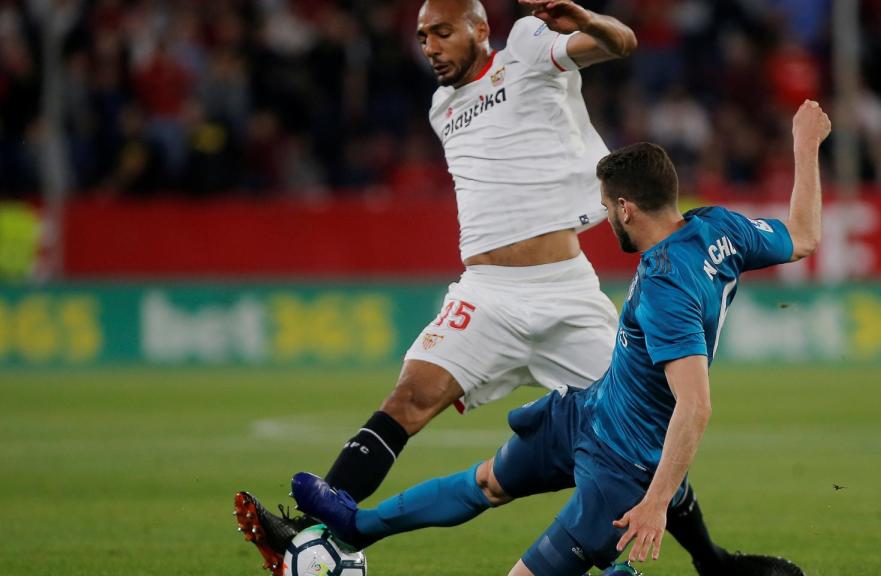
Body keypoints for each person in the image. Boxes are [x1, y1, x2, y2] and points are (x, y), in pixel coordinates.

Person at [289, 101, 832, 576]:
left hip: (623, 464)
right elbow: (804, 237)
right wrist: (804, 144)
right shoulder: (718, 227)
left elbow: (695, 406)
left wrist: (656, 503)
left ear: (626, 209)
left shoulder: (669, 287)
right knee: (487, 483)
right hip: (588, 411)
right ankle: (358, 527)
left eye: (606, 206)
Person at [237, 1, 637, 573]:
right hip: (488, 294)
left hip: (565, 291)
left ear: (480, 30)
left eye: (443, 33)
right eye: (423, 37)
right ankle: (305, 537)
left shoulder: (527, 50)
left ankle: (643, 563)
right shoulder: (442, 107)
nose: (430, 47)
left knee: (630, 430)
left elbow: (621, 43)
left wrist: (587, 21)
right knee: (407, 398)